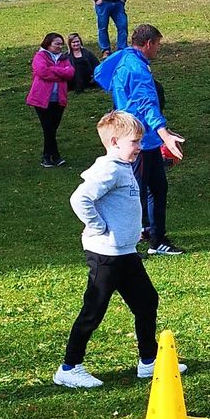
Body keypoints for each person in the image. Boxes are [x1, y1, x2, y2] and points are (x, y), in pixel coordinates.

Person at [55, 110, 167, 390]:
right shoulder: (108, 168)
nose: (140, 147)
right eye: (135, 142)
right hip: (106, 255)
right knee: (93, 310)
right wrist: (98, 226)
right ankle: (69, 367)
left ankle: (148, 361)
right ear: (115, 142)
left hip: (125, 253)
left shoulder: (123, 166)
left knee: (147, 302)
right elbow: (80, 199)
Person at [93, 23, 186, 256]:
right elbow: (146, 104)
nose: (158, 50)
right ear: (148, 44)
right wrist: (164, 134)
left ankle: (150, 233)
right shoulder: (138, 69)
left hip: (142, 137)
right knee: (139, 189)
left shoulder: (125, 59)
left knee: (153, 187)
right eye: (158, 45)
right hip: (139, 140)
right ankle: (145, 239)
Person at [27, 33, 76, 168]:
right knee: (48, 128)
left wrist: (54, 71)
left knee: (52, 128)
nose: (60, 46)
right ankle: (50, 156)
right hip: (42, 99)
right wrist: (61, 72)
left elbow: (70, 73)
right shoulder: (40, 56)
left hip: (58, 99)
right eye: (57, 43)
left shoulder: (63, 57)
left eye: (61, 43)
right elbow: (42, 72)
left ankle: (51, 156)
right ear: (48, 44)